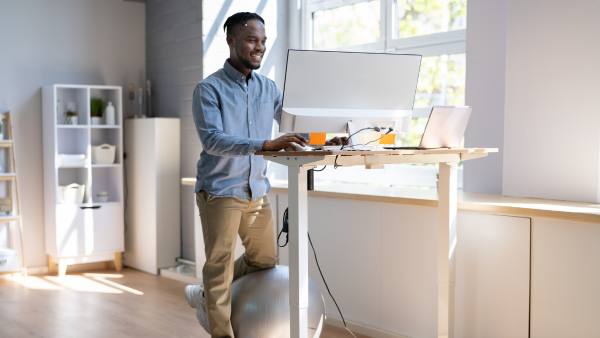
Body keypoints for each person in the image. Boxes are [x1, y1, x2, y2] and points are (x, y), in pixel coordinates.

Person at [184, 12, 323, 338]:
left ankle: (206, 290)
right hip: (220, 190)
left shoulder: (268, 88)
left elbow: (293, 125)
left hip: (256, 190)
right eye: (250, 40)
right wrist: (265, 143)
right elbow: (213, 140)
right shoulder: (208, 89)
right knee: (218, 267)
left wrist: (331, 134)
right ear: (231, 40)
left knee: (264, 260)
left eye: (262, 41)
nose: (258, 47)